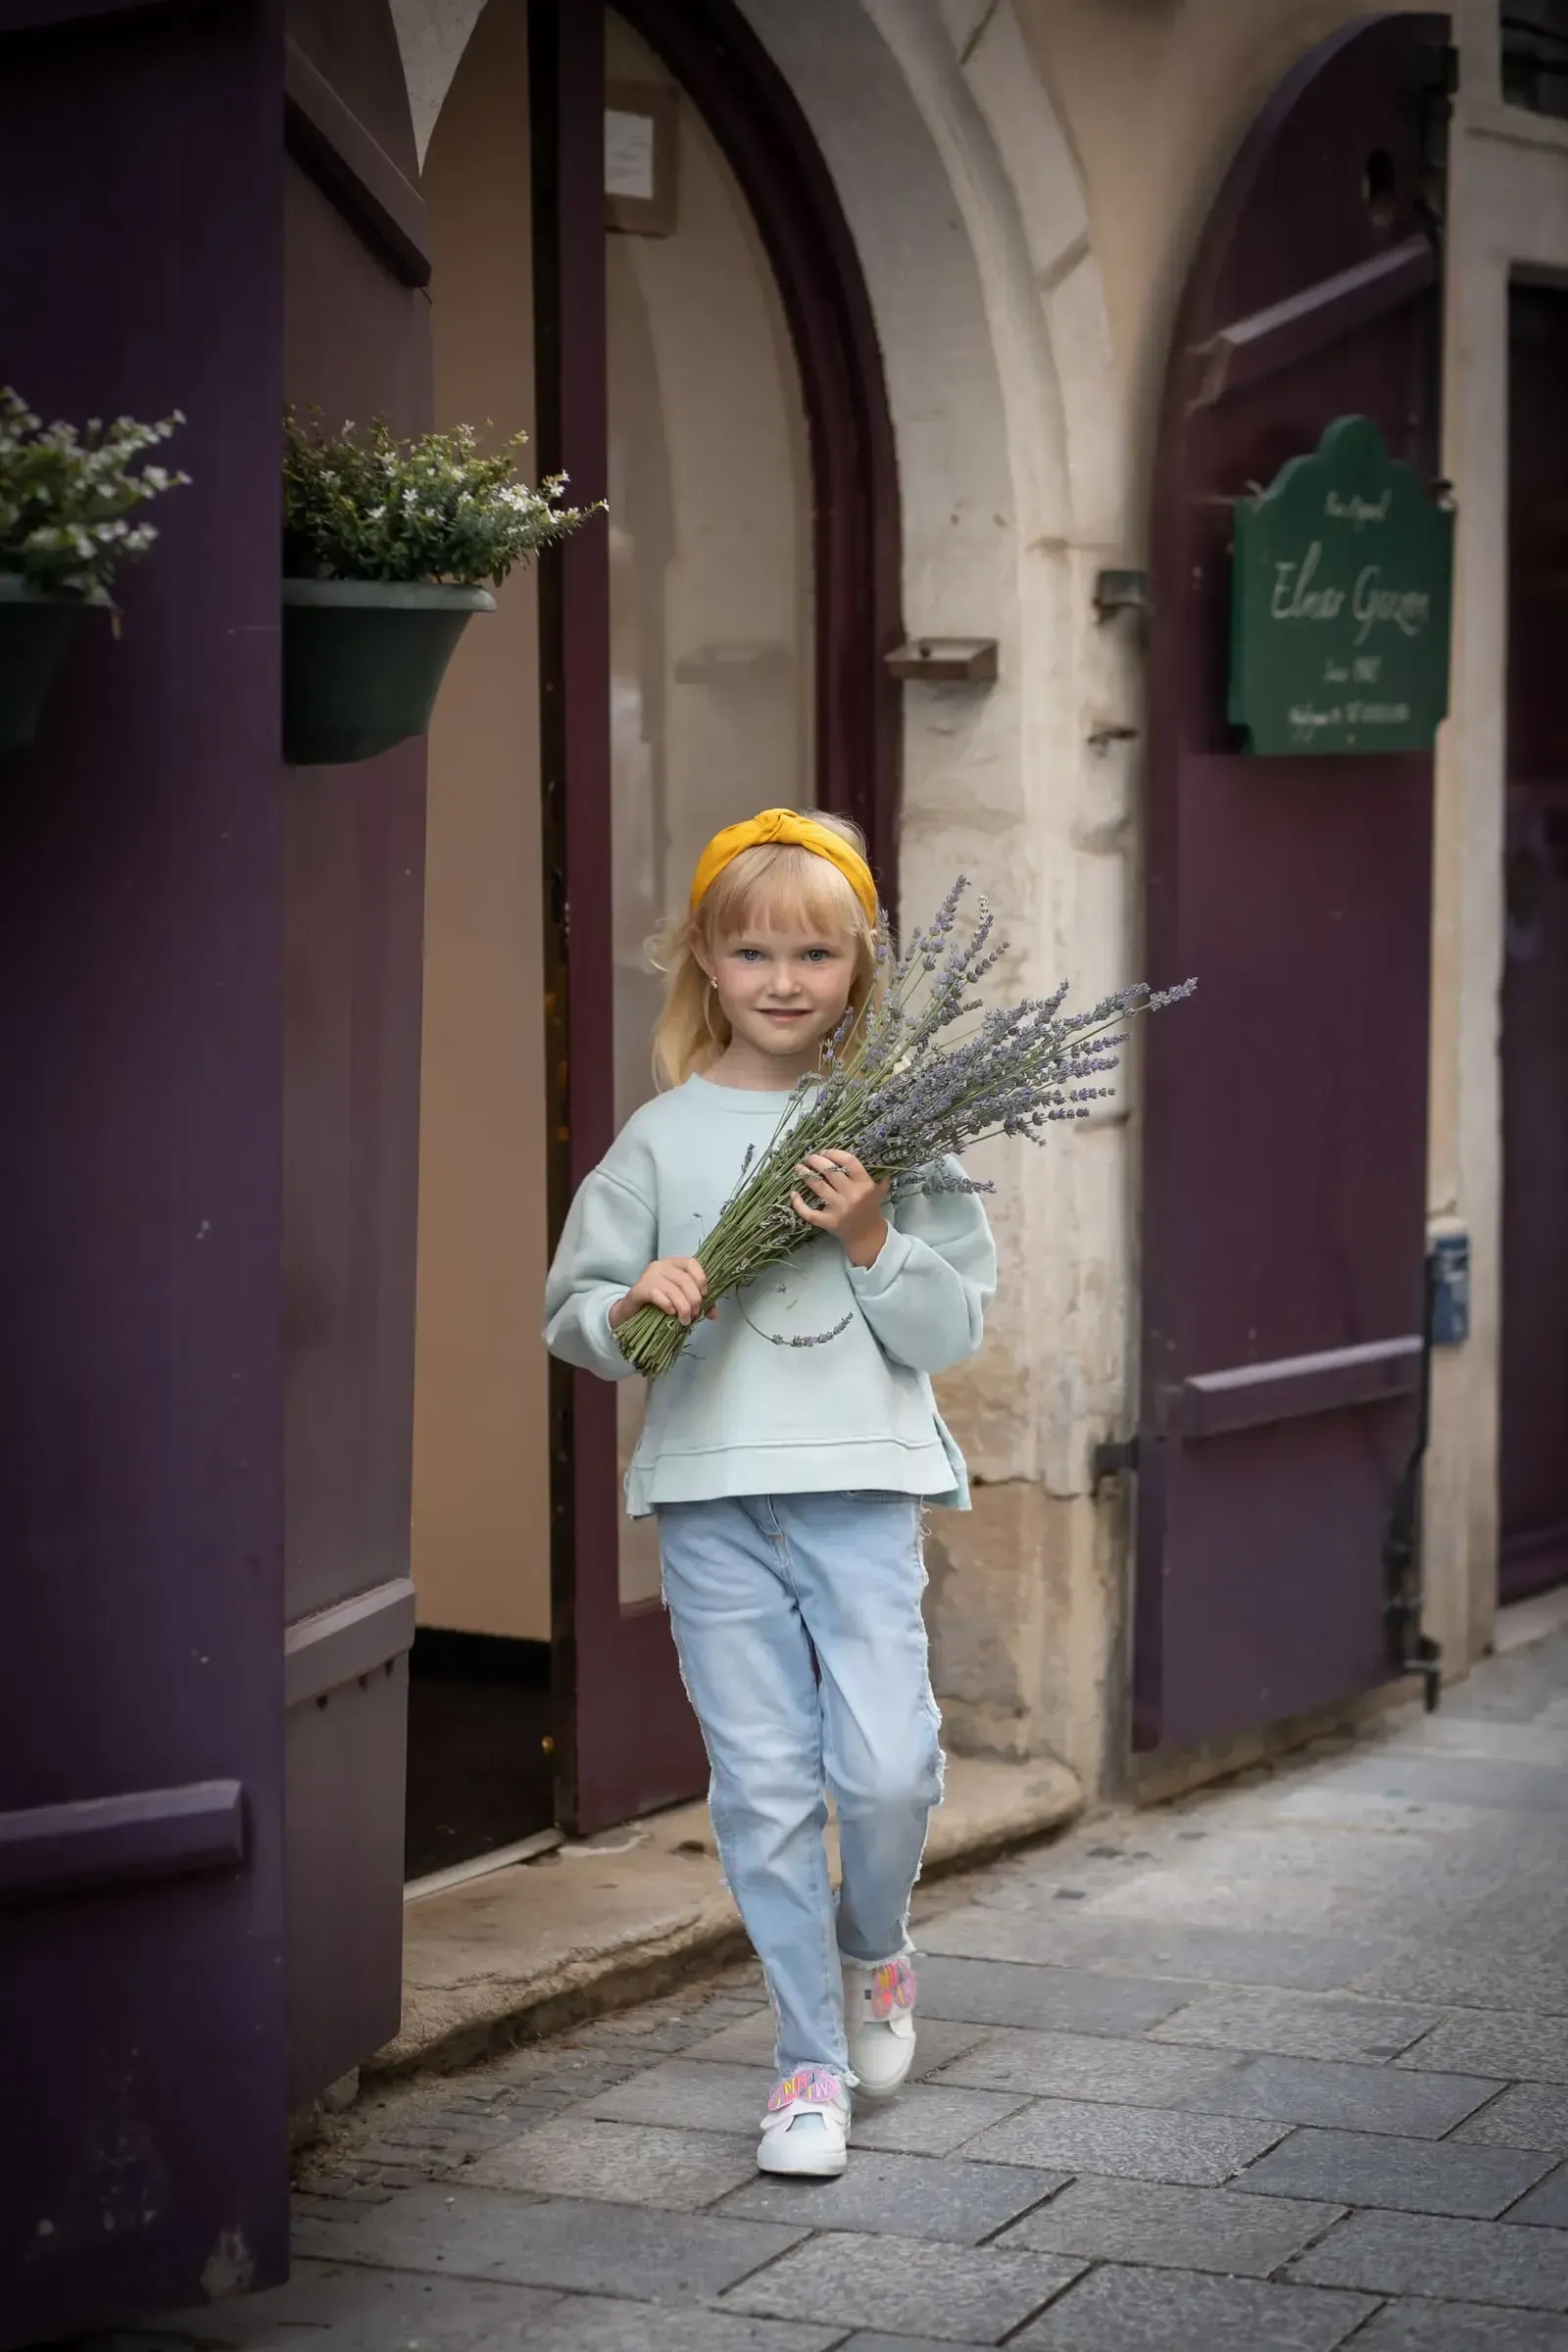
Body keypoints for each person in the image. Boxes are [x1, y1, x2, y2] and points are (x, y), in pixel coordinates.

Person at [544, 808, 997, 2179]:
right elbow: (575, 1309)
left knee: (886, 1764)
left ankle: (876, 1947)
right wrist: (637, 1302)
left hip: (860, 1486)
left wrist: (872, 1236)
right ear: (704, 958)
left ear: (858, 966)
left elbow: (955, 1326)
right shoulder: (663, 1136)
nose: (784, 979)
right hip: (711, 1497)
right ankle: (807, 2062)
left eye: (815, 952)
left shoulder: (897, 1130)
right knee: (759, 1784)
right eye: (753, 951)